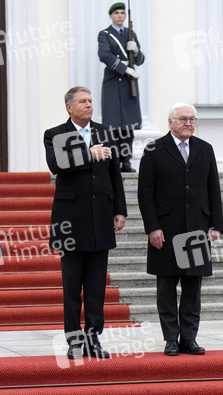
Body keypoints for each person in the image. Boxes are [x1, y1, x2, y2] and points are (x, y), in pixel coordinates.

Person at [44, 86, 127, 360]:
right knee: (71, 288)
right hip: (70, 222)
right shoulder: (55, 134)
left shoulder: (106, 133)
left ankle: (94, 339)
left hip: (100, 219)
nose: (89, 105)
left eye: (91, 101)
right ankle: (74, 341)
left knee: (95, 288)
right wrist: (89, 154)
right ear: (69, 106)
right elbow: (57, 165)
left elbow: (115, 175)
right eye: (83, 101)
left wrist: (120, 210)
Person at [138, 103, 223, 356]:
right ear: (170, 122)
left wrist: (216, 224)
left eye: (192, 119)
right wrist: (152, 227)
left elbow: (213, 189)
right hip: (166, 230)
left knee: (192, 288)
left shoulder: (204, 149)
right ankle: (171, 339)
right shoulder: (154, 149)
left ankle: (189, 338)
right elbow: (145, 193)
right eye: (183, 119)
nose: (188, 123)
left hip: (196, 229)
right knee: (166, 287)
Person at [98, 2, 145, 173]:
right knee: (112, 127)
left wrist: (137, 51)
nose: (119, 15)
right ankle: (114, 161)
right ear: (110, 16)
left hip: (128, 85)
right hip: (113, 82)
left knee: (128, 126)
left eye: (122, 13)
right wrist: (125, 69)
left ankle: (126, 160)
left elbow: (140, 60)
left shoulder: (130, 34)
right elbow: (104, 55)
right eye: (116, 13)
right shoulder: (105, 35)